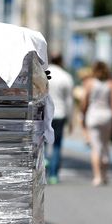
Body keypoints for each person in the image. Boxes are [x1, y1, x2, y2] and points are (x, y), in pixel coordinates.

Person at [80, 61, 112, 185]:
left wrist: (83, 115)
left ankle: (97, 176)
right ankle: (105, 174)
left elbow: (84, 102)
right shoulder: (111, 84)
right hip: (107, 116)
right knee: (105, 146)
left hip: (93, 116)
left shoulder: (89, 83)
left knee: (96, 147)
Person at [45, 54, 74, 185]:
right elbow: (69, 100)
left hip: (45, 112)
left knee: (42, 142)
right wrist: (71, 118)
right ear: (61, 61)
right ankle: (53, 175)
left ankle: (44, 160)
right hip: (60, 113)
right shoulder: (66, 77)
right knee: (57, 145)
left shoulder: (44, 73)